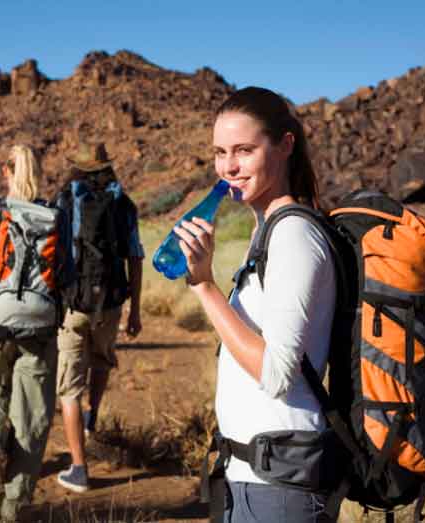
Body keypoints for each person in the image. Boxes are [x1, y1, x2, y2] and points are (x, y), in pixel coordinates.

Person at [175, 87, 337, 522]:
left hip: (279, 489)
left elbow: (276, 372)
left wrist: (204, 286)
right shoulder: (266, 231)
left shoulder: (293, 236)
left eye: (244, 150)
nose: (229, 166)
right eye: (220, 152)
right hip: (249, 477)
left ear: (285, 146)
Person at [0, 144, 72, 522]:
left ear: (6, 171)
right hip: (39, 327)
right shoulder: (57, 215)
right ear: (38, 172)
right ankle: (13, 507)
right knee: (32, 419)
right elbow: (67, 276)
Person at [54, 142, 144, 493]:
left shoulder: (63, 200)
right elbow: (135, 258)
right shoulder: (125, 205)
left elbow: (52, 254)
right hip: (110, 303)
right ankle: (92, 417)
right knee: (102, 361)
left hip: (72, 306)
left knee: (68, 388)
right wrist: (134, 309)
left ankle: (79, 469)